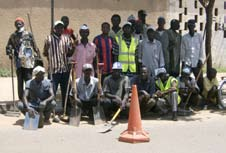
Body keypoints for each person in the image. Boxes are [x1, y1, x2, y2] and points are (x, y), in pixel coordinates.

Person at [43, 20, 75, 116]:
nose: (60, 29)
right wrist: (46, 48)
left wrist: (74, 47)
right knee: (51, 91)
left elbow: (69, 53)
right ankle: (50, 111)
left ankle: (66, 110)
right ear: (54, 29)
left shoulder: (67, 39)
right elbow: (45, 53)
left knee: (66, 91)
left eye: (61, 27)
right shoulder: (48, 39)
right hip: (54, 70)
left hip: (65, 69)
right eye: (58, 27)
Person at [6, 17, 40, 101]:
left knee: (28, 79)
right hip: (18, 61)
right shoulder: (13, 36)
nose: (18, 24)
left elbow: (34, 45)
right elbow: (9, 46)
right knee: (20, 80)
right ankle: (21, 98)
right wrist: (10, 52)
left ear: (23, 24)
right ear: (15, 25)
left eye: (20, 22)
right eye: (16, 23)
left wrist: (38, 56)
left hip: (28, 61)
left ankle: (29, 98)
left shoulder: (28, 34)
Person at [181, 19, 204, 92]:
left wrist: (200, 59)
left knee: (200, 79)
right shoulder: (184, 37)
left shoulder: (199, 36)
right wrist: (183, 61)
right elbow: (183, 50)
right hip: (187, 63)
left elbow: (201, 49)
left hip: (197, 62)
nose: (191, 26)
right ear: (188, 26)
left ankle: (200, 95)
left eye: (192, 25)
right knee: (185, 79)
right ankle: (186, 95)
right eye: (189, 25)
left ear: (194, 26)